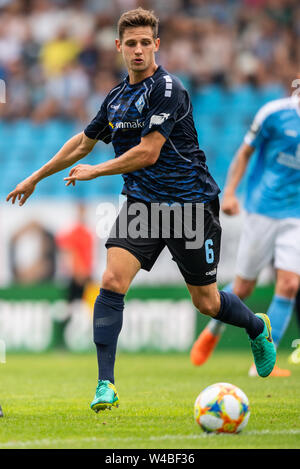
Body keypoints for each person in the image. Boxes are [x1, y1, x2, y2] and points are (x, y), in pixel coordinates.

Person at [6, 8, 276, 413]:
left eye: (144, 43)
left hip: (189, 205)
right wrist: (35, 177)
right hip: (142, 206)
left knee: (205, 302)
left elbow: (148, 152)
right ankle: (105, 385)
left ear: (156, 45)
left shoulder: (169, 89)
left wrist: (98, 170)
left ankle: (257, 327)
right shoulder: (115, 99)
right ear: (118, 47)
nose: (137, 50)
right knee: (112, 280)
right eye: (130, 43)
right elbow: (82, 142)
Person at [191, 93, 300, 376]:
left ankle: (265, 358)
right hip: (262, 210)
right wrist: (229, 193)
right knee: (243, 288)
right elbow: (244, 153)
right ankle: (212, 331)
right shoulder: (274, 114)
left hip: (296, 215)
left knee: (289, 284)